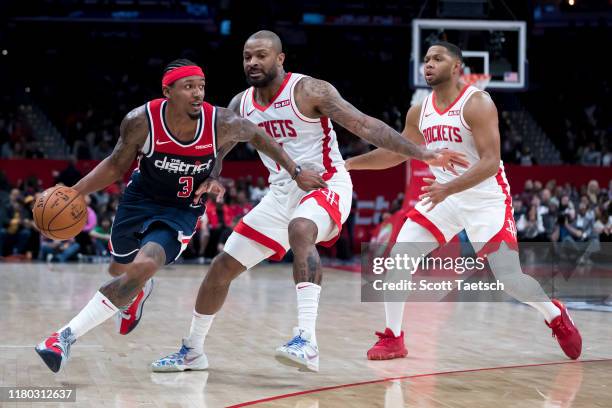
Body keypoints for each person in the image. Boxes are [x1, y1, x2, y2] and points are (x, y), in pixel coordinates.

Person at [152, 31, 467, 373]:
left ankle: (307, 340)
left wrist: (423, 153)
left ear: (280, 59)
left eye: (261, 56)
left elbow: (365, 125)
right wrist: (213, 175)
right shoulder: (240, 105)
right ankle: (193, 351)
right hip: (280, 194)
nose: (253, 63)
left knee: (301, 228)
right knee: (222, 267)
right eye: (247, 57)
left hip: (327, 184)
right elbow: (218, 149)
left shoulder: (309, 91)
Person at [35, 58, 326, 373]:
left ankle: (63, 338)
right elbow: (117, 165)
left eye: (201, 86)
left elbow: (258, 137)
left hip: (181, 208)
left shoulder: (221, 122)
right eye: (189, 87)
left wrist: (295, 170)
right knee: (121, 269)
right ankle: (138, 292)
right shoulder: (140, 121)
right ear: (167, 91)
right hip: (139, 200)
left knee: (144, 265)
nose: (198, 93)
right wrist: (76, 191)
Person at [345, 41, 582, 361]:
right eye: (426, 59)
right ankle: (394, 338)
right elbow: (394, 153)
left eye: (437, 59)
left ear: (457, 67)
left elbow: (490, 161)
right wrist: (347, 164)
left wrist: (449, 188)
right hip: (444, 196)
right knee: (399, 260)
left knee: (509, 278)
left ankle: (553, 313)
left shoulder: (478, 103)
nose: (428, 64)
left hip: (485, 198)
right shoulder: (419, 111)